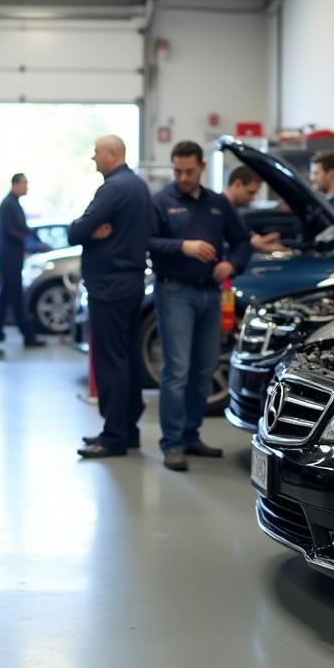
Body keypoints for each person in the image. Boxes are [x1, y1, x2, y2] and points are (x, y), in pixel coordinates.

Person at [149, 141, 252, 471]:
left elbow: (242, 242)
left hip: (210, 294)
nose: (182, 177)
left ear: (202, 167)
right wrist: (183, 246)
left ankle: (191, 435)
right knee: (176, 370)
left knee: (204, 369)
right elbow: (146, 242)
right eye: (177, 171)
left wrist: (231, 265)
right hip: (174, 293)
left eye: (188, 171)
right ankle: (173, 443)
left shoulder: (218, 204)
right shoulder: (161, 202)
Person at [69, 135, 153, 459]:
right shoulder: (137, 186)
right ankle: (127, 431)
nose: (93, 158)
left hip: (109, 288)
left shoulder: (114, 189)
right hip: (128, 284)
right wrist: (90, 229)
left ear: (112, 154)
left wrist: (85, 229)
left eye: (97, 153)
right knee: (127, 359)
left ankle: (114, 436)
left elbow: (76, 232)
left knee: (111, 361)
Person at [0, 173, 45, 349]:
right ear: (16, 184)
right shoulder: (8, 204)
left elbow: (22, 229)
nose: (27, 187)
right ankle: (27, 335)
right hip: (9, 257)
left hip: (12, 256)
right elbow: (13, 230)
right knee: (15, 296)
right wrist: (31, 242)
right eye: (25, 183)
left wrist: (34, 239)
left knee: (7, 293)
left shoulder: (13, 204)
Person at [223, 166, 288, 254]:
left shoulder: (237, 214)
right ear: (238, 184)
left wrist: (258, 242)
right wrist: (252, 244)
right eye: (250, 192)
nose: (252, 198)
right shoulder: (215, 210)